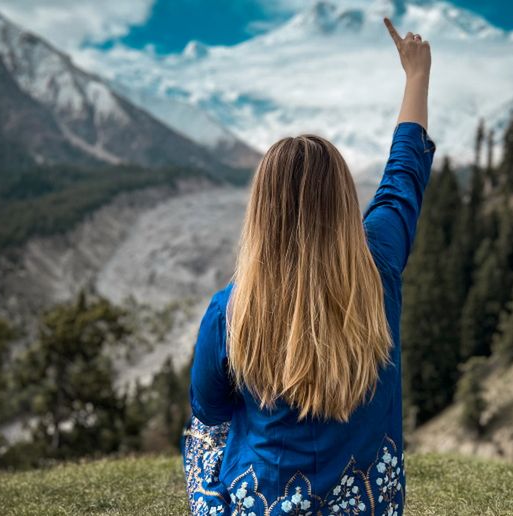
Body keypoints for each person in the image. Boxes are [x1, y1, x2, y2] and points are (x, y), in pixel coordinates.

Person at [181, 16, 435, 516]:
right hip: (369, 504)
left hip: (264, 503)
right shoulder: (379, 263)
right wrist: (417, 77)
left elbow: (208, 411)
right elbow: (404, 175)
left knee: (205, 436)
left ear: (261, 213)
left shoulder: (229, 311)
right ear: (343, 200)